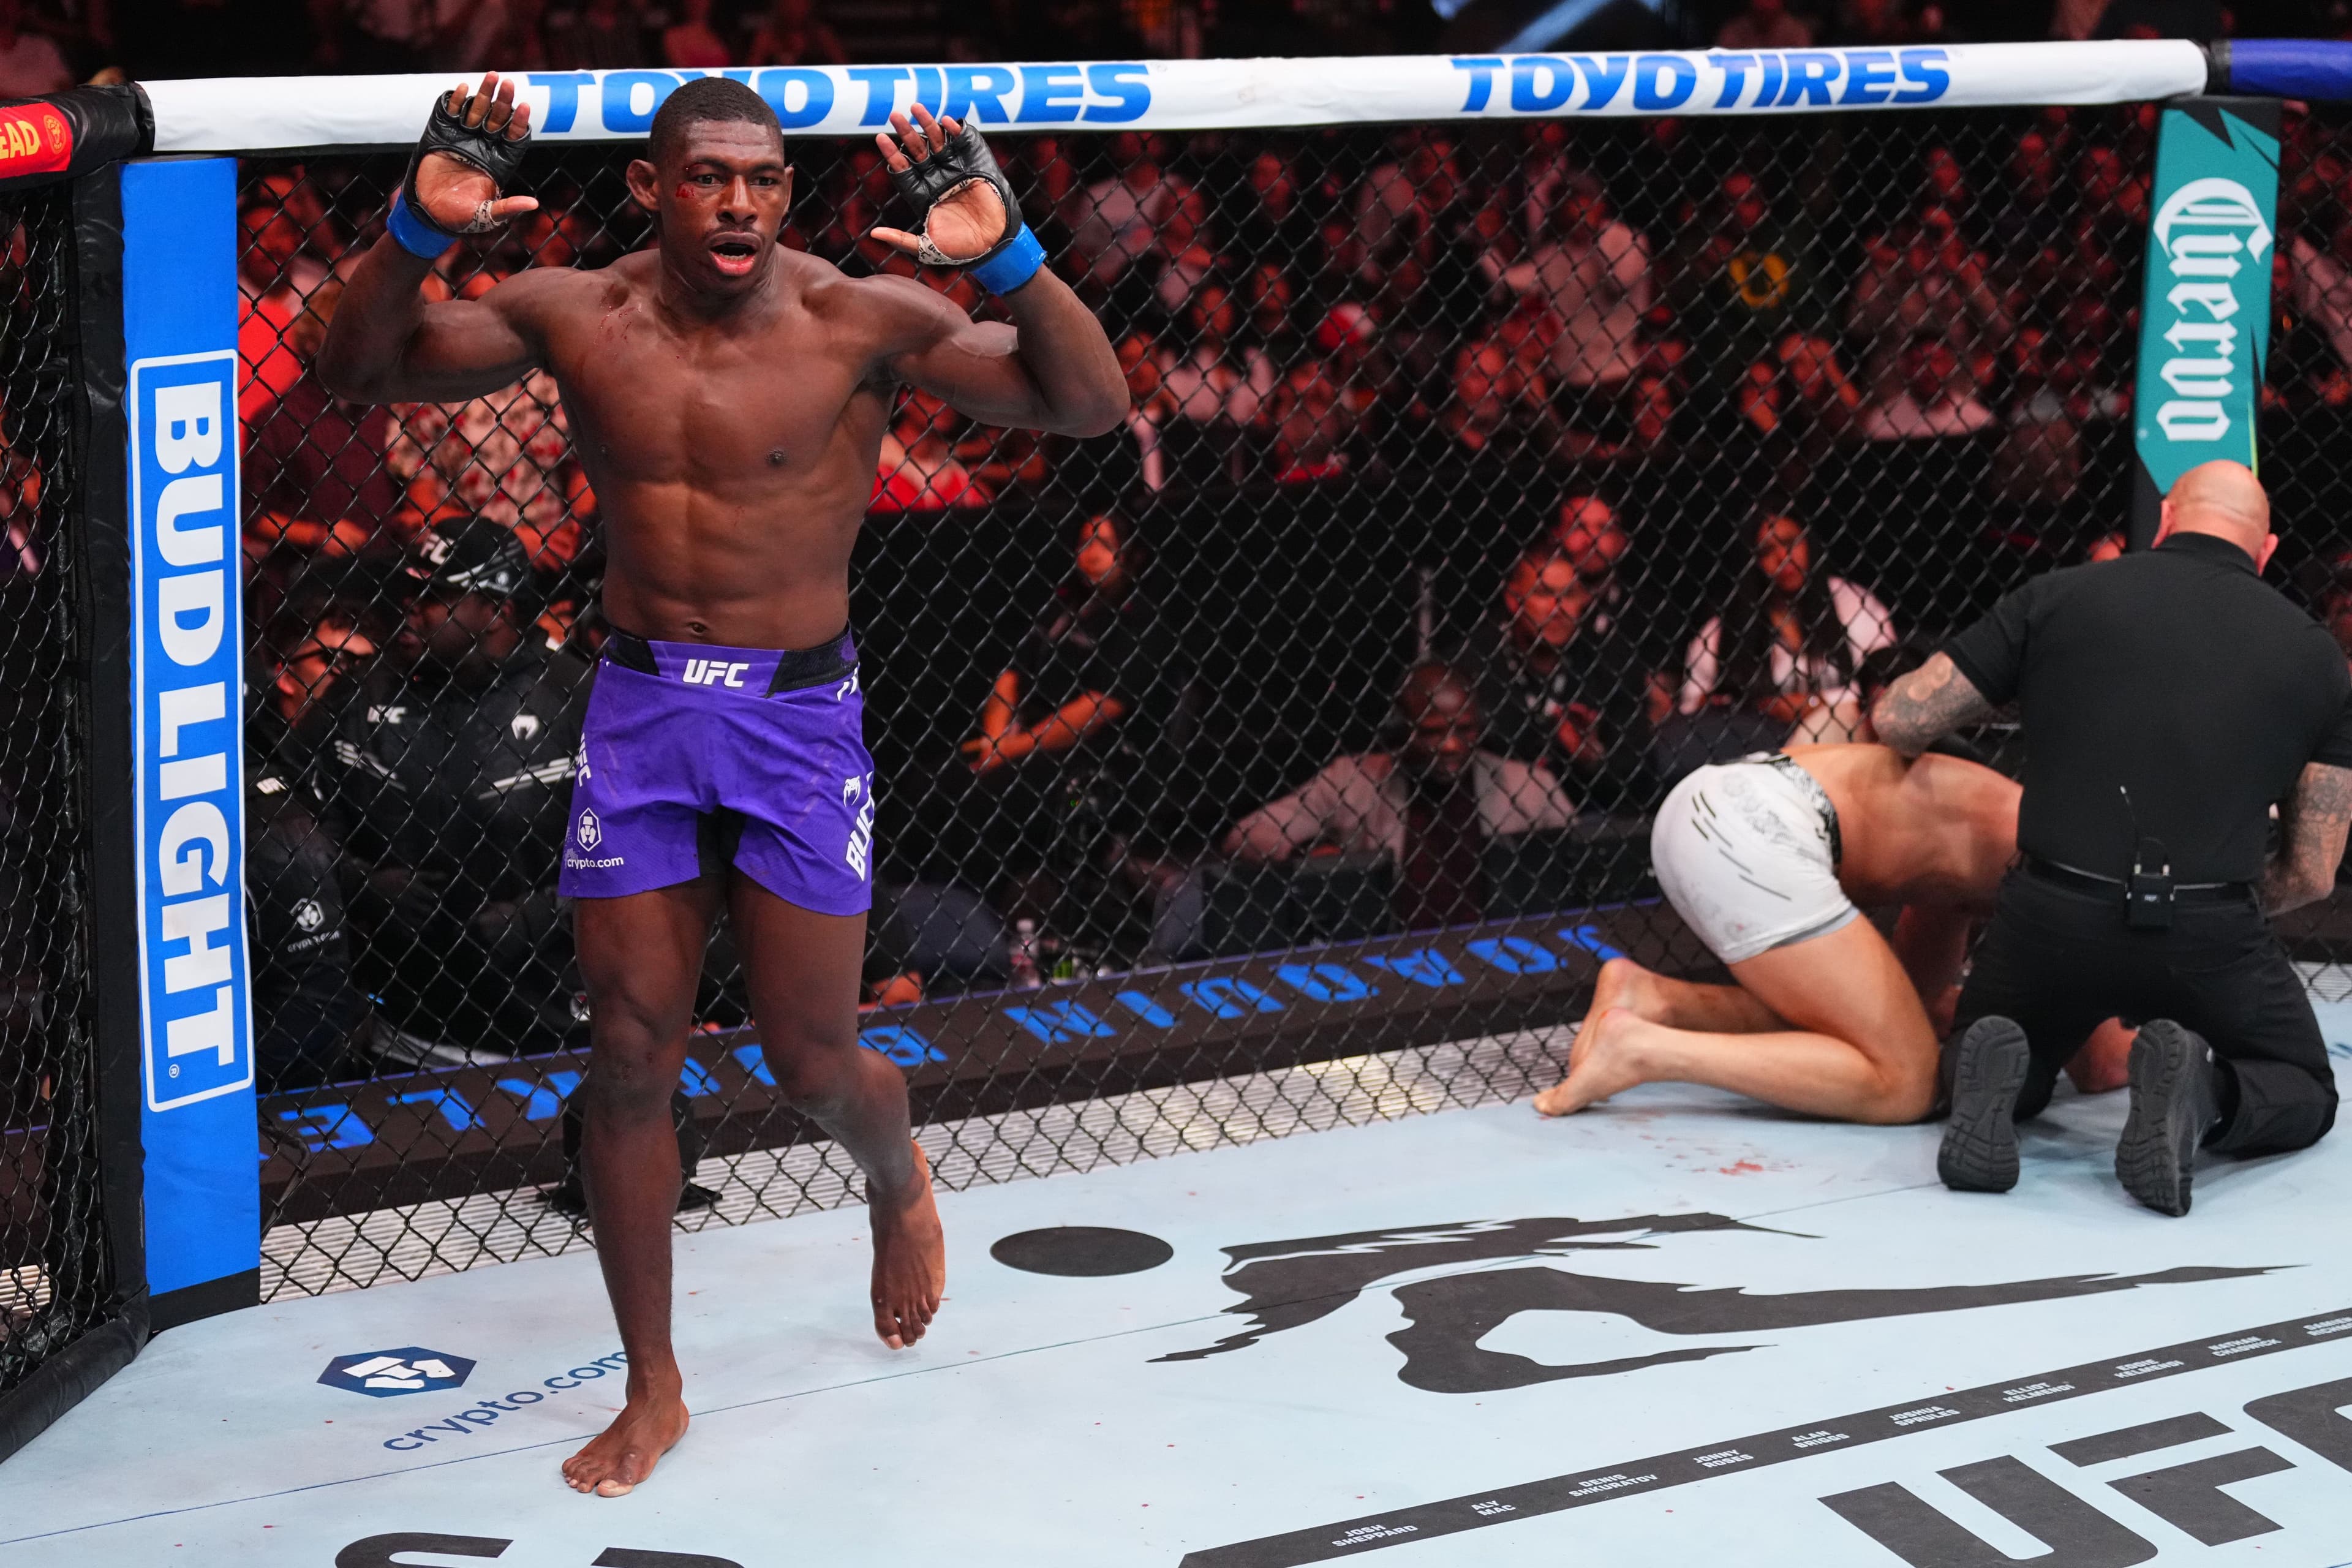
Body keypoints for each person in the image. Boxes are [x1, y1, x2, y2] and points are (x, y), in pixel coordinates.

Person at [318, 77, 1127, 1493]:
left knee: (811, 1057)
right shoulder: (579, 312)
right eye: (709, 177)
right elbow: (362, 365)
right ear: (652, 187)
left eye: (763, 177)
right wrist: (414, 227)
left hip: (794, 719)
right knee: (629, 1055)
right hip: (637, 713)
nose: (741, 200)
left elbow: (1086, 401)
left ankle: (895, 1176)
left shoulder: (855, 319)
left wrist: (1008, 255)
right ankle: (654, 1382)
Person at [1871, 461, 2352, 1215]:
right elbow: (2316, 871)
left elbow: (1901, 719)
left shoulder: (2059, 595)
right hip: (2209, 924)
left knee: (1996, 1038)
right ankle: (2208, 1092)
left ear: (2164, 520)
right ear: (2266, 551)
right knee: (2304, 1089)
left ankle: (1992, 1077)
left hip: (2052, 909)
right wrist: (2220, 903)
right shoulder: (2316, 655)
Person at [1535, 742, 2018, 1124]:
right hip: (1756, 834)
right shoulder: (2048, 850)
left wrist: (1943, 1007)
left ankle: (1656, 1000)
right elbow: (2096, 1065)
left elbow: (1910, 994)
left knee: (1864, 1028)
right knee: (1907, 1084)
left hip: (1712, 801)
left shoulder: (1993, 814)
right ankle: (1643, 1050)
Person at [323, 521, 593, 1065]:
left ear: (495, 611)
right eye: (409, 592)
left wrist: (547, 912)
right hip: (405, 1033)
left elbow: (650, 834)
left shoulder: (576, 694)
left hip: (557, 1031)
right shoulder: (365, 689)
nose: (410, 608)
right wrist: (360, 882)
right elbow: (295, 813)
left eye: (436, 596)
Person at [1224, 664, 1575, 929]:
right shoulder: (1353, 779)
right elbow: (1247, 833)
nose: (1452, 745)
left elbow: (1582, 861)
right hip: (1391, 961)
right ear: (1401, 730)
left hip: (1503, 953)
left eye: (1465, 729)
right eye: (1433, 732)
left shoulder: (1529, 785)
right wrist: (1311, 857)